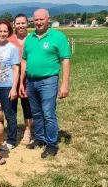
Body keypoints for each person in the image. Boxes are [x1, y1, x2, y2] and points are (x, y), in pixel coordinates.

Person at [19, 9, 71, 158]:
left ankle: (51, 144)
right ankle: (40, 138)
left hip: (49, 80)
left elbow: (65, 60)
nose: (39, 22)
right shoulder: (30, 38)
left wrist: (65, 83)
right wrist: (22, 82)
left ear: (48, 19)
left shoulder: (58, 37)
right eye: (36, 20)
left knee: (48, 113)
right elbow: (24, 60)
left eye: (42, 19)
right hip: (31, 81)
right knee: (36, 113)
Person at [0, 19, 20, 151]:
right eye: (0, 31)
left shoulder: (12, 48)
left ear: (9, 32)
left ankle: (11, 140)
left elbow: (16, 69)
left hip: (7, 85)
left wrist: (14, 88)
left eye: (5, 31)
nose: (2, 33)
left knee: (9, 113)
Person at [8, 13, 33, 145]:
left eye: (23, 23)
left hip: (28, 78)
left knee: (27, 105)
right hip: (12, 78)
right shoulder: (9, 39)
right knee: (11, 105)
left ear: (27, 24)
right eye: (18, 23)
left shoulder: (33, 38)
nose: (21, 25)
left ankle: (28, 130)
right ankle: (11, 130)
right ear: (14, 25)